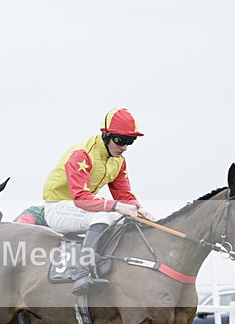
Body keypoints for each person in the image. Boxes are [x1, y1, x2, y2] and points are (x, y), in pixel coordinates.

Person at [42, 107, 156, 295]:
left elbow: (124, 196)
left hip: (83, 208)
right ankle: (82, 271)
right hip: (58, 207)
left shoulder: (119, 161)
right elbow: (80, 198)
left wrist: (141, 211)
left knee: (126, 218)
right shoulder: (82, 154)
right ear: (106, 135)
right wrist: (118, 206)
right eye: (120, 140)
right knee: (104, 214)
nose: (124, 147)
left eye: (130, 142)